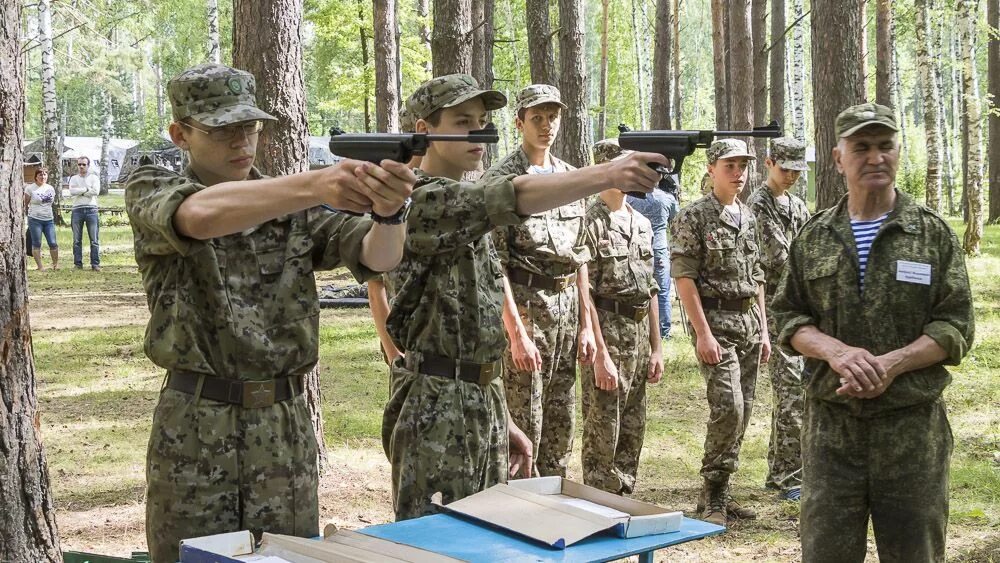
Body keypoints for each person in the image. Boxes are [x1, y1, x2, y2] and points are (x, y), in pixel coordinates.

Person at [125, 63, 416, 563]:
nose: (242, 141)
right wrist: (315, 184)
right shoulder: (152, 187)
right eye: (222, 129)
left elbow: (376, 256)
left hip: (283, 424)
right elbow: (198, 216)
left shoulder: (296, 206)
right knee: (192, 556)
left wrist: (390, 212)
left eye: (251, 127)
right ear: (181, 135)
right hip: (197, 422)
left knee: (287, 555)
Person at [381, 73, 666, 521]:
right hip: (433, 401)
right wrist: (608, 173)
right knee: (434, 543)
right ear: (424, 130)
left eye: (481, 120)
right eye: (462, 122)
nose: (479, 132)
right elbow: (512, 195)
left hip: (478, 394)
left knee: (488, 535)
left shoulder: (466, 205)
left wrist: (501, 413)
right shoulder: (417, 200)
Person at [771, 103, 975, 563]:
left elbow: (956, 324)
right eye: (861, 147)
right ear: (838, 159)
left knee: (914, 554)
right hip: (831, 434)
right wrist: (836, 352)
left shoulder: (931, 234)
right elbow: (787, 316)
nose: (876, 157)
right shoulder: (815, 237)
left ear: (898, 153)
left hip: (911, 432)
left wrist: (892, 363)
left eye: (886, 146)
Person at [481, 84, 596, 478]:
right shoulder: (501, 181)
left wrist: (587, 324)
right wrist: (516, 334)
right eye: (537, 118)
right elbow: (495, 265)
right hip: (527, 307)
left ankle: (555, 502)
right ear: (520, 123)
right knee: (524, 418)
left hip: (566, 311)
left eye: (552, 117)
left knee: (562, 417)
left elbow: (580, 256)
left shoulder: (569, 178)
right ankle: (517, 507)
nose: (546, 126)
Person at [670, 139, 770, 526]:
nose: (738, 172)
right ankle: (713, 493)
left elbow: (757, 275)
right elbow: (684, 278)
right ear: (712, 168)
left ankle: (721, 491)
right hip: (717, 326)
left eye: (743, 165)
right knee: (729, 408)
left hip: (747, 324)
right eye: (730, 165)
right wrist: (703, 334)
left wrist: (762, 328)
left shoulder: (747, 215)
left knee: (743, 412)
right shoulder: (694, 216)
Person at [580, 139, 663, 494]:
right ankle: (598, 505)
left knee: (633, 427)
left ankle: (625, 500)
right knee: (603, 427)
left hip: (640, 332)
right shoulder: (589, 220)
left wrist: (657, 348)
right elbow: (586, 293)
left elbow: (653, 288)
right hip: (607, 334)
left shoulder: (641, 222)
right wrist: (600, 354)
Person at [746, 137, 810, 501]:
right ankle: (788, 476)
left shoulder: (797, 205)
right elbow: (779, 259)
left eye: (796, 171)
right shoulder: (759, 204)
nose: (790, 177)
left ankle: (785, 470)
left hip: (798, 307)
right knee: (790, 393)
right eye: (784, 169)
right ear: (769, 163)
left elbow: (807, 249)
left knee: (800, 391)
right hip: (773, 307)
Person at [627, 176, 680, 340]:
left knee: (639, 290)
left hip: (638, 248)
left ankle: (640, 326)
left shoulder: (631, 198)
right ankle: (664, 331)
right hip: (659, 248)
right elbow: (676, 222)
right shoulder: (667, 199)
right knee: (663, 291)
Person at [69, 155, 101, 271]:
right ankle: (78, 264)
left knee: (94, 239)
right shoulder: (73, 178)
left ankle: (95, 263)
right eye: (79, 164)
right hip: (77, 209)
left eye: (84, 164)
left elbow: (96, 191)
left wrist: (80, 191)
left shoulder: (94, 178)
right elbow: (72, 191)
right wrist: (86, 189)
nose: (81, 166)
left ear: (88, 165)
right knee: (77, 239)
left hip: (91, 209)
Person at [24, 168, 59, 270]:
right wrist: (27, 216)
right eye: (40, 175)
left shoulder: (50, 188)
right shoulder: (30, 188)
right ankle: (40, 266)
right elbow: (25, 203)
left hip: (48, 219)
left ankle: (55, 264)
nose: (43, 177)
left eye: (44, 175)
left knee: (52, 242)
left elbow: (50, 203)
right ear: (36, 176)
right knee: (36, 243)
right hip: (35, 219)